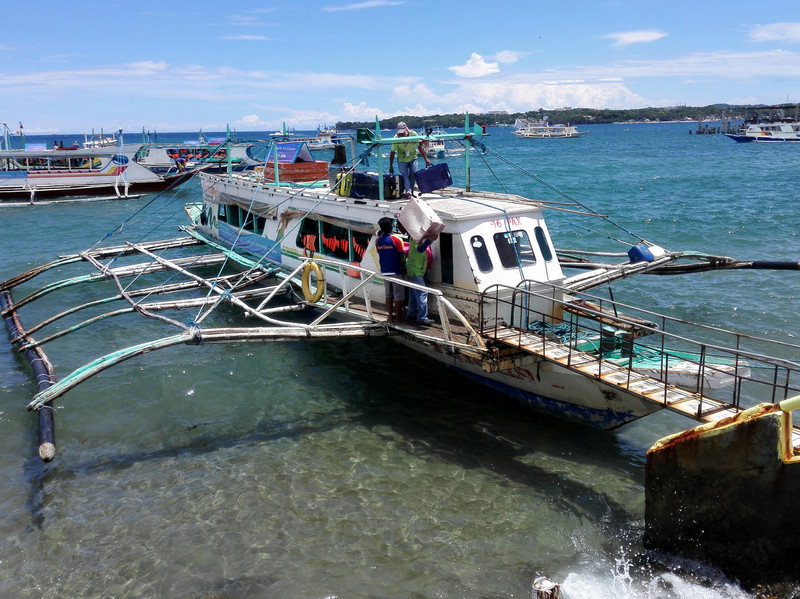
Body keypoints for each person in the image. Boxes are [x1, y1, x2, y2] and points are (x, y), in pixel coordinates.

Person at [375, 217, 406, 323]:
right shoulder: (397, 240)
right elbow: (402, 257)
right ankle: (399, 319)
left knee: (388, 295)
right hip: (396, 271)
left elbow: (380, 254)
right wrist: (405, 273)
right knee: (398, 296)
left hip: (385, 271)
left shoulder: (378, 241)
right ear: (391, 226)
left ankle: (390, 317)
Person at [389, 122, 431, 198]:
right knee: (405, 175)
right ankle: (408, 192)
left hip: (413, 157)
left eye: (402, 133)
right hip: (402, 159)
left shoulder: (413, 134)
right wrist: (391, 166)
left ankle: (410, 192)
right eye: (399, 133)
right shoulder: (396, 138)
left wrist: (426, 159)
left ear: (406, 129)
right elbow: (392, 152)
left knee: (414, 174)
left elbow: (420, 147)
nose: (401, 135)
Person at [405, 232, 436, 326]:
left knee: (413, 293)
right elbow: (420, 249)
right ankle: (422, 317)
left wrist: (429, 239)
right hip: (415, 271)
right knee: (422, 293)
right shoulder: (415, 239)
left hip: (414, 270)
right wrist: (430, 240)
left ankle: (411, 313)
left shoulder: (415, 238)